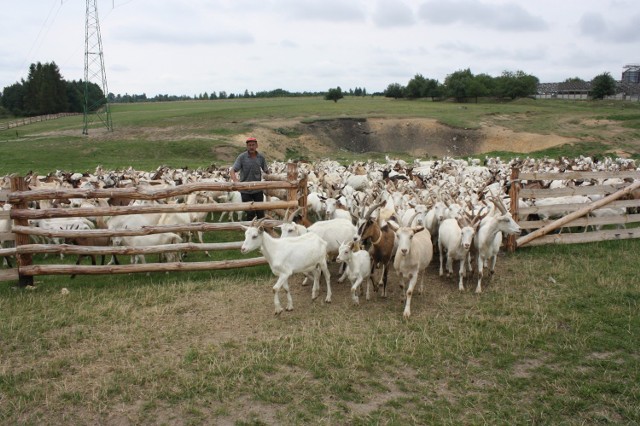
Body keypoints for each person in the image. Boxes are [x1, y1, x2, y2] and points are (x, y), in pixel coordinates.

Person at [230, 137, 270, 220]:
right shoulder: (242, 157)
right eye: (249, 145)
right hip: (245, 190)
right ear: (247, 146)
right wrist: (236, 181)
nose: (251, 147)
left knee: (260, 212)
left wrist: (272, 178)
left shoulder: (261, 157)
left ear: (257, 146)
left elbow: (266, 170)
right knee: (250, 211)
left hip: (258, 189)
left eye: (253, 145)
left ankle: (260, 229)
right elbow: (233, 170)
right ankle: (250, 230)